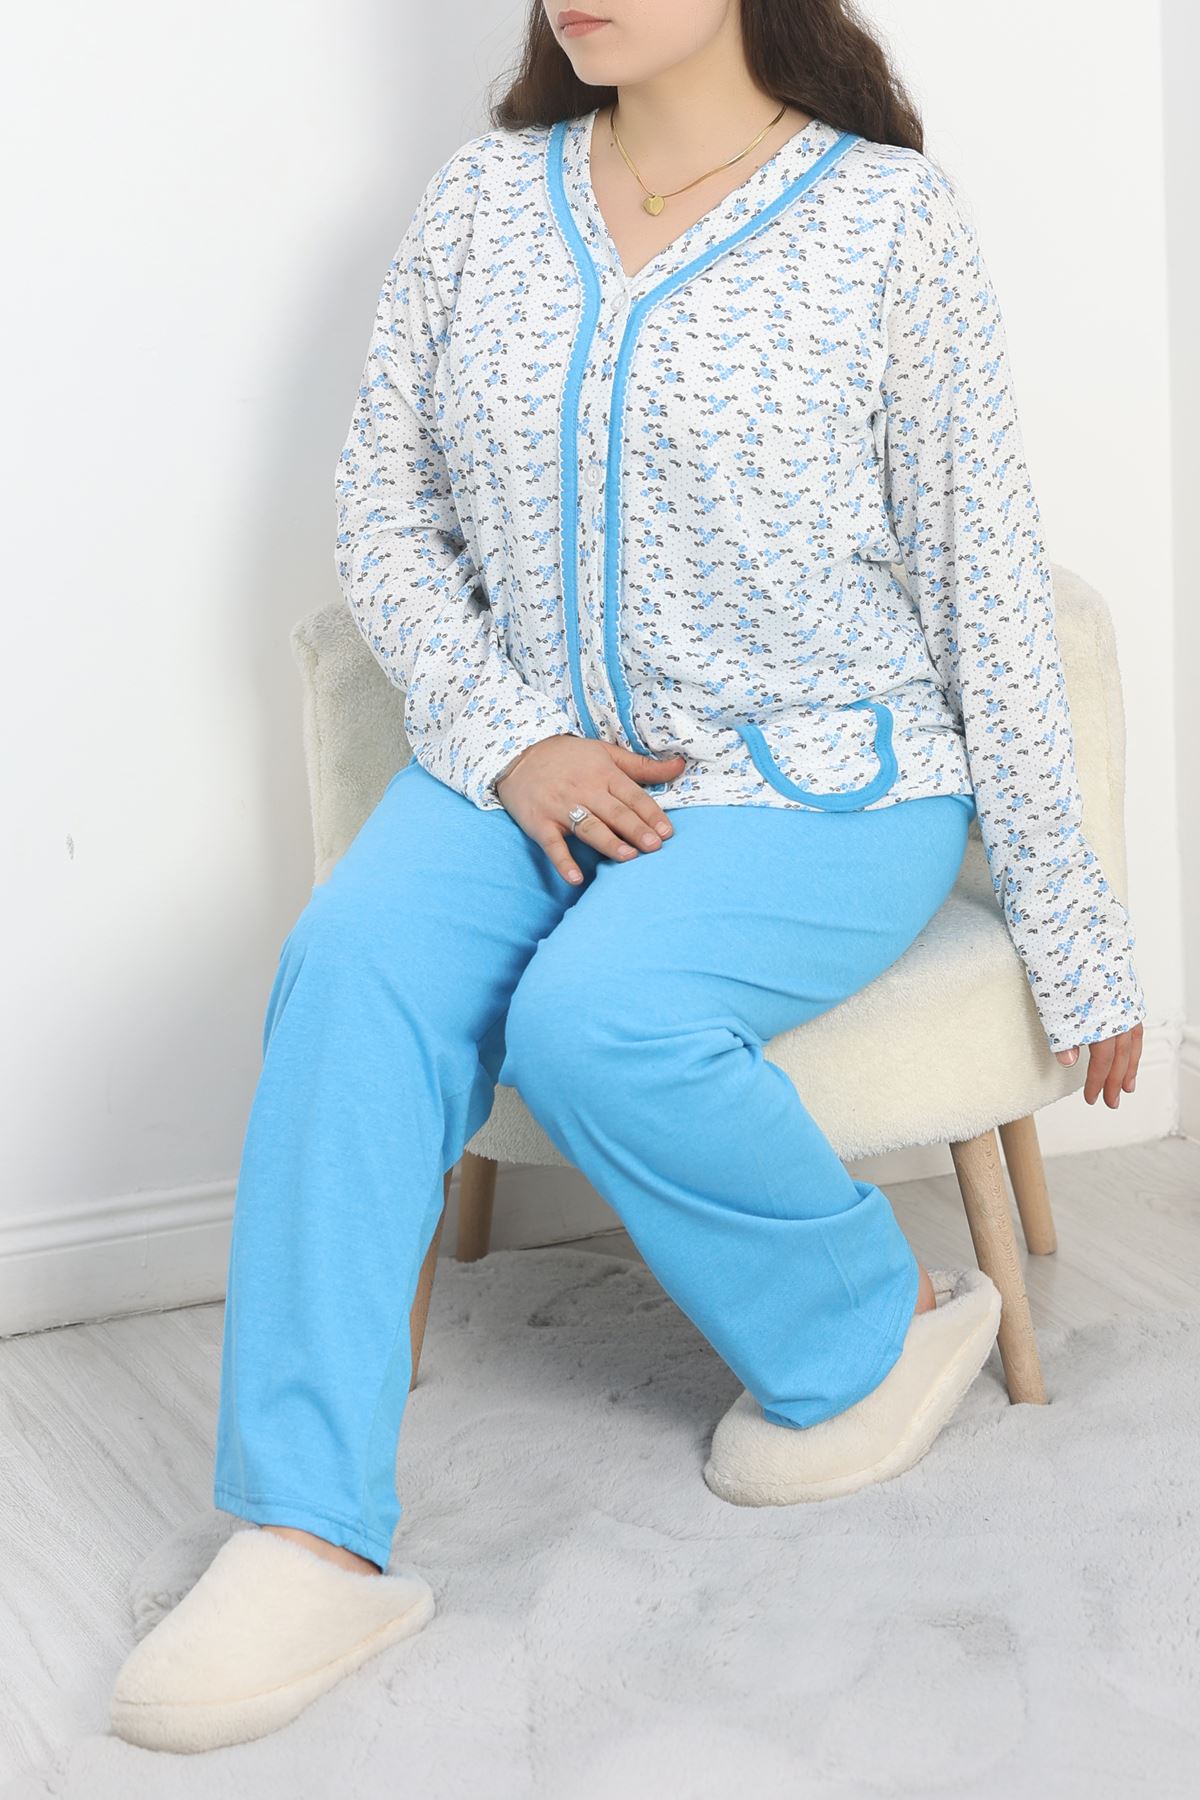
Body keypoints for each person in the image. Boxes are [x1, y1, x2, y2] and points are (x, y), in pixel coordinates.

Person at [109, 0, 1145, 1754]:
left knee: (597, 1020)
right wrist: (513, 737)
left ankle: (873, 1327)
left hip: (821, 778)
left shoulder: (886, 220)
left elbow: (985, 583)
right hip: (527, 760)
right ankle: (304, 1534)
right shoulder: (479, 203)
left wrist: (1078, 932)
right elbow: (384, 515)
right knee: (349, 963)